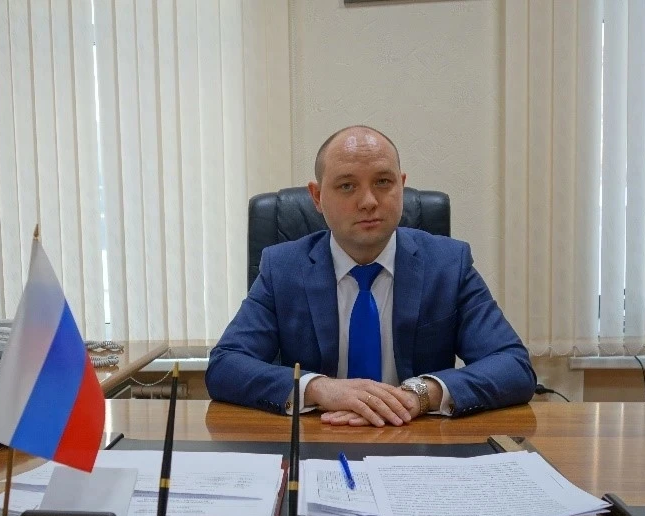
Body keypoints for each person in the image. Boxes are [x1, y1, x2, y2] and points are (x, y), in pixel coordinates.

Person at [206, 125, 536, 426]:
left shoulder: (448, 264)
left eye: (383, 182)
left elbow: (513, 365)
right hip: (320, 439)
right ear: (317, 197)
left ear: (401, 186)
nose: (368, 201)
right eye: (347, 186)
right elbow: (226, 365)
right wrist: (319, 388)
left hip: (417, 442)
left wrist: (420, 395)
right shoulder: (283, 268)